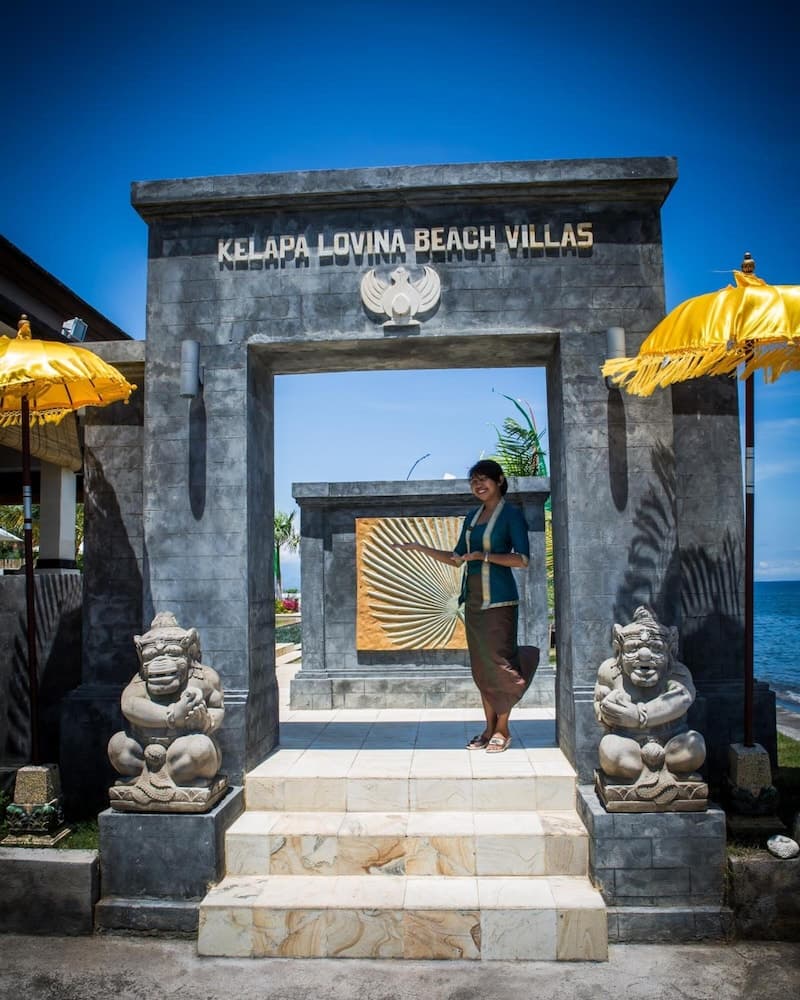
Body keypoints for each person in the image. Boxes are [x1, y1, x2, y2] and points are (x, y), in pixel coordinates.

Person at [392, 459, 538, 752]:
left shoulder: (511, 515)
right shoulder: (472, 517)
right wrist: (419, 548)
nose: (478, 485)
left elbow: (522, 559)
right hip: (472, 602)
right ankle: (488, 728)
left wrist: (484, 557)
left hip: (499, 601)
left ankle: (503, 729)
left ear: (499, 480)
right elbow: (457, 557)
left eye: (483, 479)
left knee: (500, 665)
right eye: (473, 481)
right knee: (482, 668)